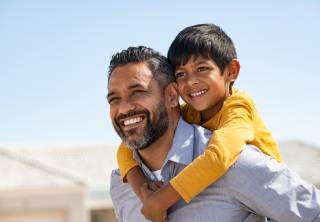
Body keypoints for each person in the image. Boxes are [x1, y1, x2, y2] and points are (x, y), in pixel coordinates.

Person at [107, 46, 320, 222]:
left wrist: (161, 199)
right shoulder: (121, 183)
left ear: (172, 96)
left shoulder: (237, 164)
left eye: (138, 92)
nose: (124, 108)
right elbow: (126, 149)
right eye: (114, 99)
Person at [116, 23, 283, 218]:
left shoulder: (238, 109)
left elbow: (219, 157)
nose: (190, 81)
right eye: (181, 74)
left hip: (271, 202)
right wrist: (143, 191)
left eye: (202, 68)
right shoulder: (190, 111)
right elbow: (126, 149)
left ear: (231, 71)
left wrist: (161, 200)